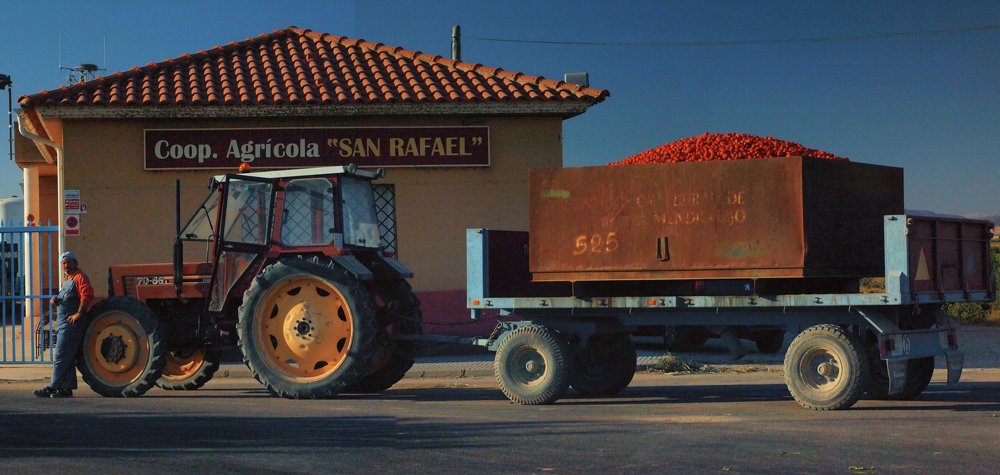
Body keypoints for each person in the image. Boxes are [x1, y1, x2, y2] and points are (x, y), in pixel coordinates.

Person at [34, 251, 95, 398]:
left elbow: (87, 295)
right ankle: (65, 388)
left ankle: (53, 386)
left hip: (71, 325)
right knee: (67, 357)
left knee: (61, 356)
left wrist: (78, 314)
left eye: (69, 262)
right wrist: (56, 300)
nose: (67, 265)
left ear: (75, 262)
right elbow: (66, 298)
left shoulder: (80, 277)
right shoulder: (68, 279)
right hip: (62, 325)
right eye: (64, 263)